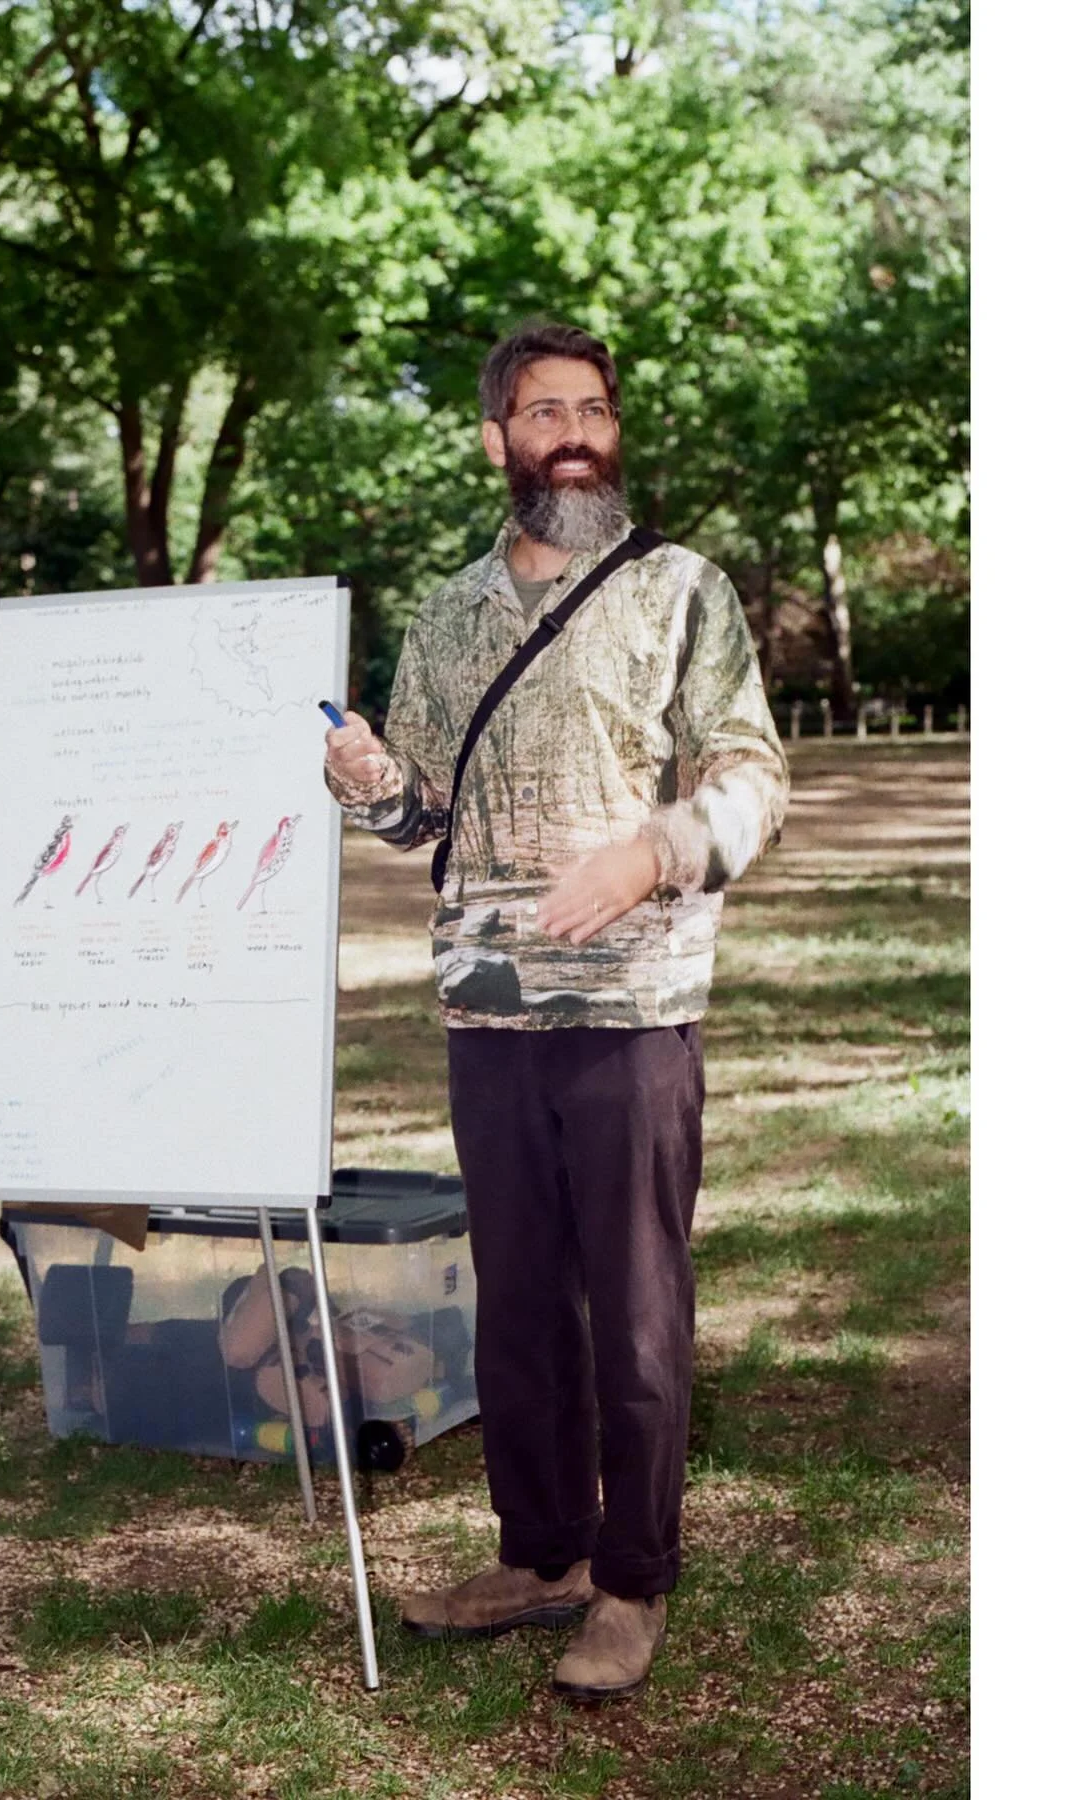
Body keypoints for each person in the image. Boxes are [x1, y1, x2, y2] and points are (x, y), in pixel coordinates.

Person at [323, 319, 789, 1703]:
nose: (574, 429)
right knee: (517, 1306)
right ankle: (542, 1555)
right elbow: (424, 814)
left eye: (593, 407)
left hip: (635, 1009)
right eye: (544, 411)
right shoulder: (447, 612)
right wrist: (368, 784)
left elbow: (757, 773)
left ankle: (634, 1580)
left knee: (636, 1312)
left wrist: (653, 850)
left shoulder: (683, 592)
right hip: (488, 1011)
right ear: (497, 439)